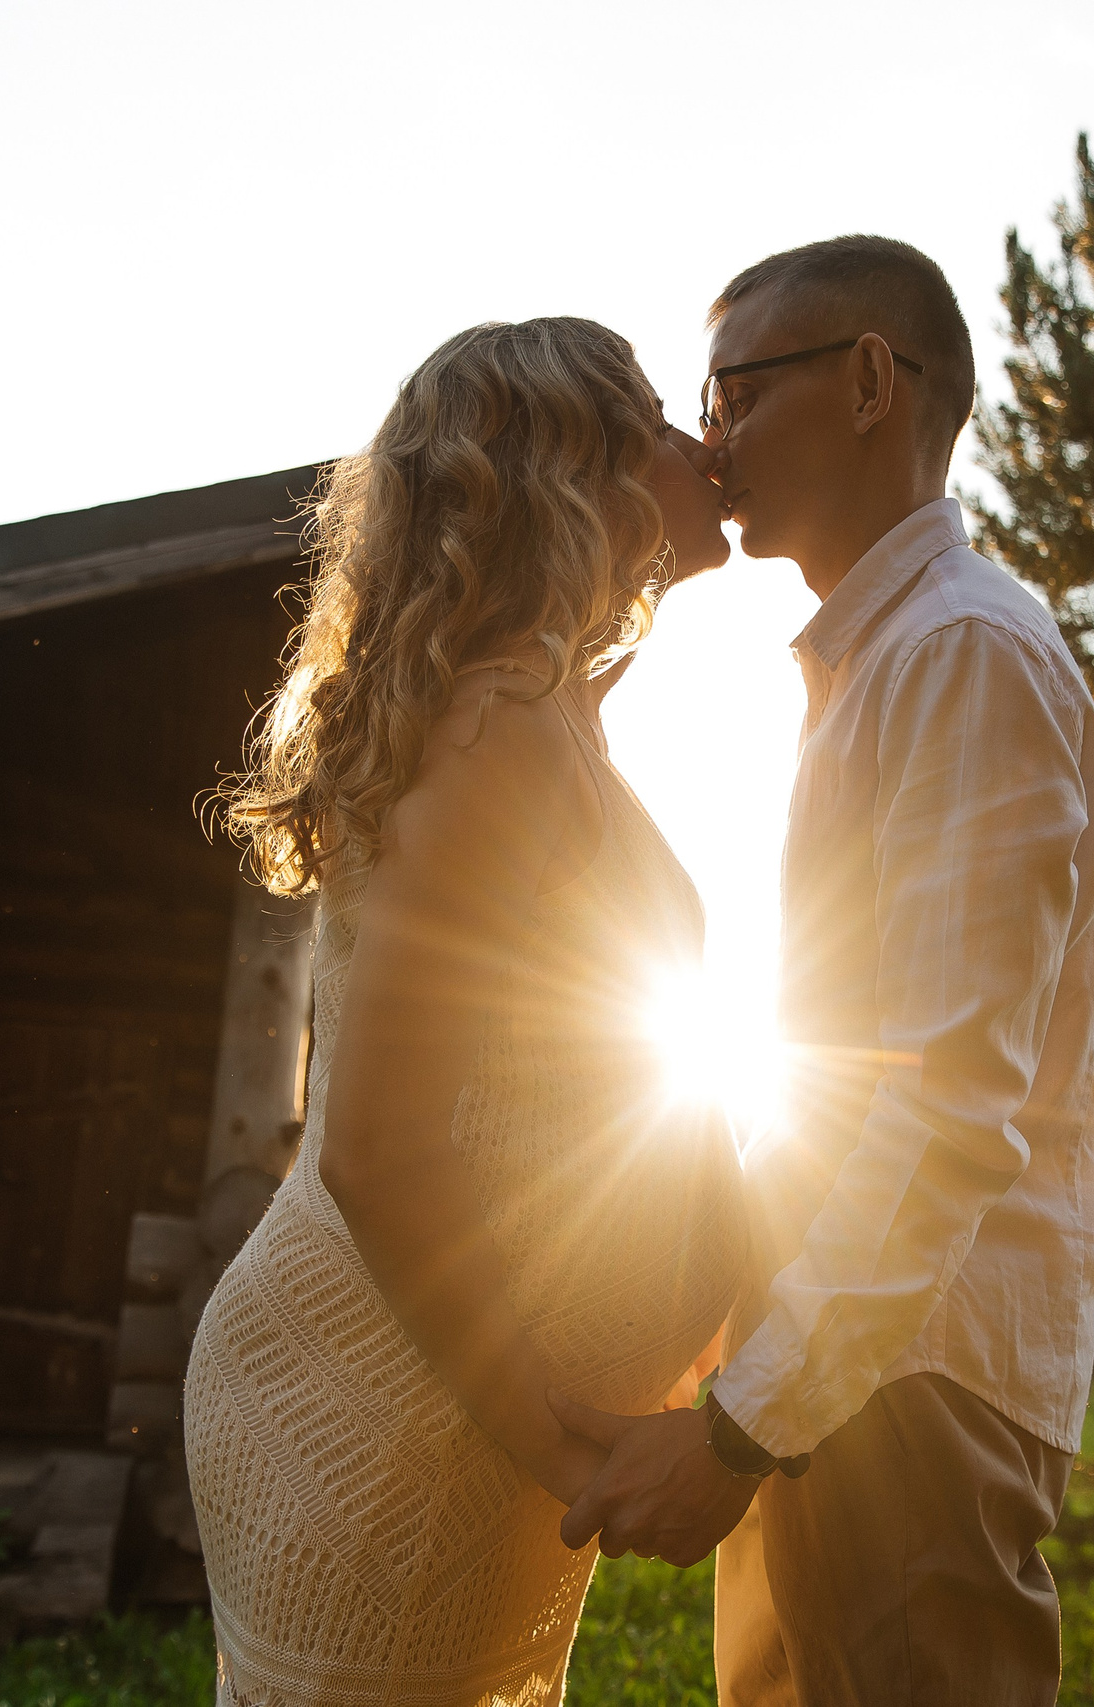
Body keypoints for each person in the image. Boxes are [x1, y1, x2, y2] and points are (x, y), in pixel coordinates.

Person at [554, 236, 1094, 1706]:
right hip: (841, 1374)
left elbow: (940, 1105)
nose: (709, 437)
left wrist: (748, 1420)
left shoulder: (959, 657)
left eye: (734, 390)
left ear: (871, 380)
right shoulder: (883, 665)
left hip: (901, 1389)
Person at [183, 317, 747, 1707]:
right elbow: (379, 1147)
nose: (703, 446)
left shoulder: (550, 719)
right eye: (664, 418)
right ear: (582, 469)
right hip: (391, 1408)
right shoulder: (498, 730)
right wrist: (566, 1453)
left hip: (459, 1411)